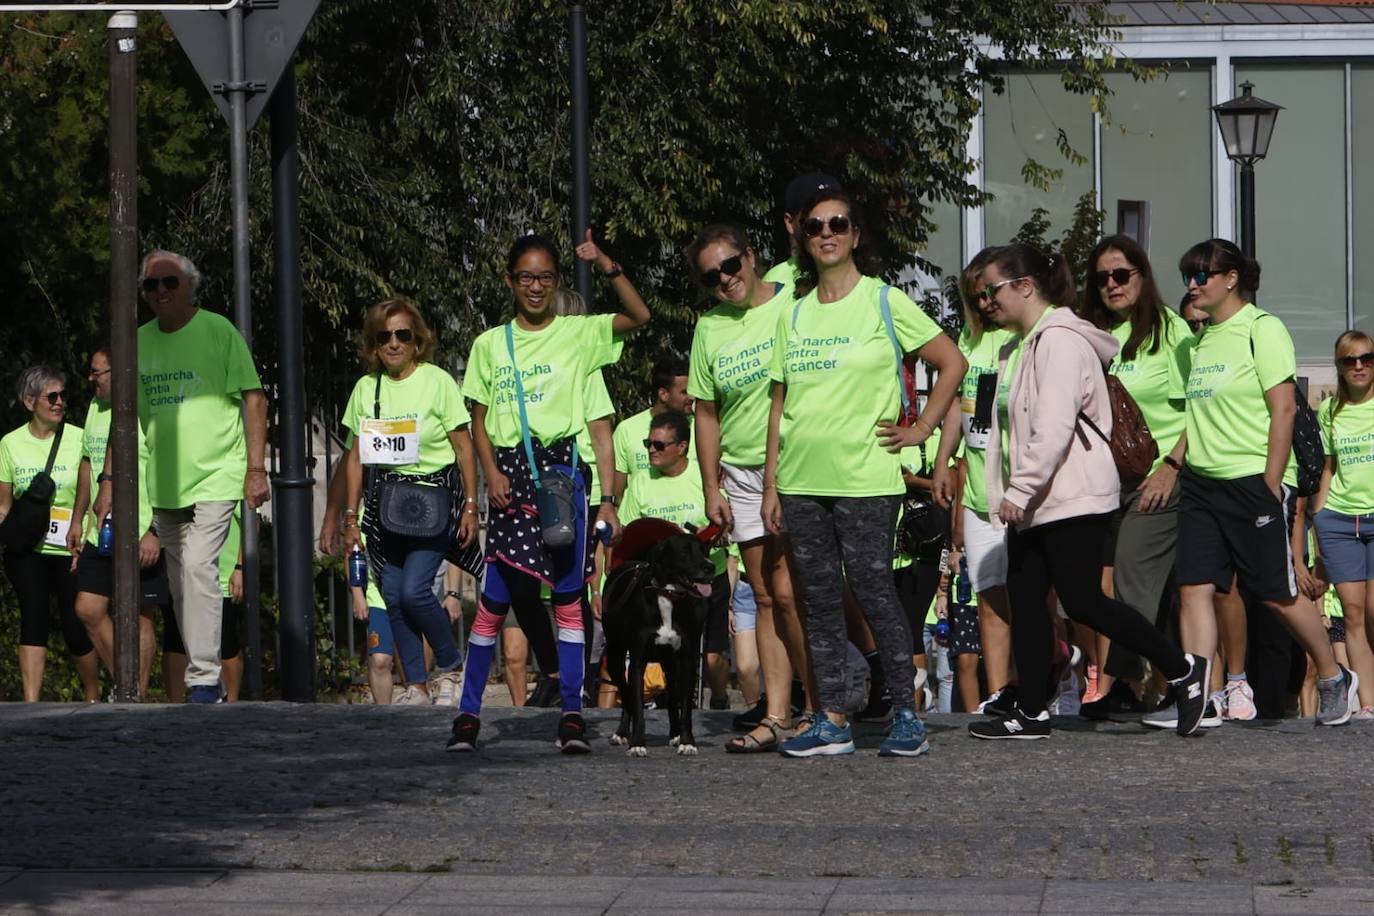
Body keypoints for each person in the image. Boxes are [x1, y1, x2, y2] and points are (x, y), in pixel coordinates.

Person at [967, 243, 1205, 740]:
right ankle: (1032, 709)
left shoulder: (1059, 342)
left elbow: (1052, 426)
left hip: (1070, 493)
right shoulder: (1021, 345)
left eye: (992, 290)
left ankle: (1182, 668)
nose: (985, 302)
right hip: (1040, 499)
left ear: (1025, 287)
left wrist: (1021, 488)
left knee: (1083, 602)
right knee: (1028, 597)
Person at [763, 188, 967, 757]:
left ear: (855, 235)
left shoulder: (884, 301)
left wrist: (922, 428)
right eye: (814, 225)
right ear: (802, 238)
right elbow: (780, 404)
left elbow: (952, 361)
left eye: (838, 224)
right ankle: (832, 718)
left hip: (867, 480)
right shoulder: (795, 311)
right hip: (802, 481)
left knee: (877, 594)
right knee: (820, 602)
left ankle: (906, 712)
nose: (826, 233)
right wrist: (772, 485)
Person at [449, 230, 649, 754]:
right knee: (493, 600)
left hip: (562, 476)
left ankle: (572, 716)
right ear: (509, 280)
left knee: (567, 597)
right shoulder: (489, 344)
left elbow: (638, 316)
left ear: (556, 281)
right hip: (511, 477)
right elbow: (478, 419)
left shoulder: (579, 335)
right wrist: (489, 475)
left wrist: (605, 261)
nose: (535, 287)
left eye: (545, 277)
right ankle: (468, 715)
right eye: (525, 277)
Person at [1144, 238, 1356, 729]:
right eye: (1187, 277)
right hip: (1202, 484)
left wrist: (1269, 482)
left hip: (1252, 481)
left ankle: (1333, 676)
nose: (1192, 286)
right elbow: (1192, 421)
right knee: (1194, 585)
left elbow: (1283, 408)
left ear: (1231, 278)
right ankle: (1197, 696)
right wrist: (1176, 466)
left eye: (1201, 276)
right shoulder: (1196, 342)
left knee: (1275, 593)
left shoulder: (1262, 329)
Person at [93, 250, 269, 704]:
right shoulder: (137, 342)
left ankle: (204, 679)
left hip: (217, 472)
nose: (160, 292)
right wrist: (109, 481)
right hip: (166, 483)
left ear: (190, 285)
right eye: (151, 286)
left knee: (197, 568)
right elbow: (125, 418)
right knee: (178, 588)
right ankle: (201, 671)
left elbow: (253, 398)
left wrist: (253, 469)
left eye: (169, 282)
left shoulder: (218, 331)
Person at [685, 223, 812, 752]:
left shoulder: (792, 305)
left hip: (795, 464)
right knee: (762, 594)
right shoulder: (710, 327)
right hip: (739, 471)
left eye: (731, 266)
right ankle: (776, 713)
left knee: (791, 592)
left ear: (751, 257)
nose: (725, 280)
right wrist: (711, 483)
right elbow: (706, 411)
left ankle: (822, 703)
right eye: (712, 276)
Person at [1074, 235, 1194, 715]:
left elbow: (1199, 411)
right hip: (1104, 481)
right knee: (1110, 587)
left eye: (1121, 274)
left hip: (1159, 476)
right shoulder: (1090, 334)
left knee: (1132, 572)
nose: (1111, 284)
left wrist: (1171, 467)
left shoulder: (1172, 331)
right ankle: (1155, 681)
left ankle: (1132, 681)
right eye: (1102, 278)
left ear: (1142, 276)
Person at [340, 297, 478, 708]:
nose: (394, 344)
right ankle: (415, 684)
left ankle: (451, 666)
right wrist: (350, 516)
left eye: (403, 335)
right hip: (384, 506)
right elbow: (353, 457)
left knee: (417, 591)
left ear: (417, 340)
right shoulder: (367, 389)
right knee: (395, 594)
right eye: (385, 337)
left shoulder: (438, 382)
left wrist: (470, 504)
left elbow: (464, 446)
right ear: (374, 345)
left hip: (433, 502)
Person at [932, 248, 1016, 709]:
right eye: (973, 294)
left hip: (1023, 490)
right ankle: (999, 693)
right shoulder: (970, 339)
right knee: (989, 595)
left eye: (988, 291)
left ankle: (1039, 682)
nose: (982, 301)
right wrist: (945, 460)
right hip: (980, 492)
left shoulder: (1026, 337)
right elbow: (961, 411)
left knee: (1029, 595)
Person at [68, 347, 168, 697]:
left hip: (141, 528)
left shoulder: (146, 409)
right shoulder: (96, 408)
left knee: (142, 616)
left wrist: (154, 529)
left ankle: (134, 695)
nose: (91, 379)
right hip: (101, 529)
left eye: (98, 372)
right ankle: (126, 687)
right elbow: (86, 464)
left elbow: (162, 469)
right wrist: (77, 518)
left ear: (120, 373)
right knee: (88, 607)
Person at [619, 410, 731, 707]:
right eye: (648, 443)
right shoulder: (641, 481)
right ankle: (678, 706)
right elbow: (628, 537)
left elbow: (724, 522)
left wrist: (722, 534)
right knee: (674, 652)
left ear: (682, 447)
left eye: (659, 445)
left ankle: (719, 703)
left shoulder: (702, 476)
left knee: (713, 657)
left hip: (707, 580)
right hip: (665, 587)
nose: (651, 451)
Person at [0, 366, 99, 702]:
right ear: (29, 402)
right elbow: (3, 504)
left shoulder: (79, 436)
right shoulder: (9, 443)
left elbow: (93, 490)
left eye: (62, 396)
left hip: (71, 545)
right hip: (28, 548)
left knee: (75, 625)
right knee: (33, 617)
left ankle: (92, 696)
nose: (59, 403)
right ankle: (31, 703)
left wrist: (86, 532)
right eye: (51, 397)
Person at [1312, 330, 1374, 715]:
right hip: (1339, 520)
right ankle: (1368, 704)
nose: (1358, 366)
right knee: (1351, 614)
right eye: (1349, 360)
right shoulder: (1328, 410)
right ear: (1338, 366)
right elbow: (1328, 468)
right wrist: (1318, 518)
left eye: (1366, 358)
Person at [612, 357, 694, 500]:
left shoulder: (700, 428)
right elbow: (617, 490)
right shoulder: (627, 430)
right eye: (684, 392)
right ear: (663, 394)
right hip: (643, 519)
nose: (691, 397)